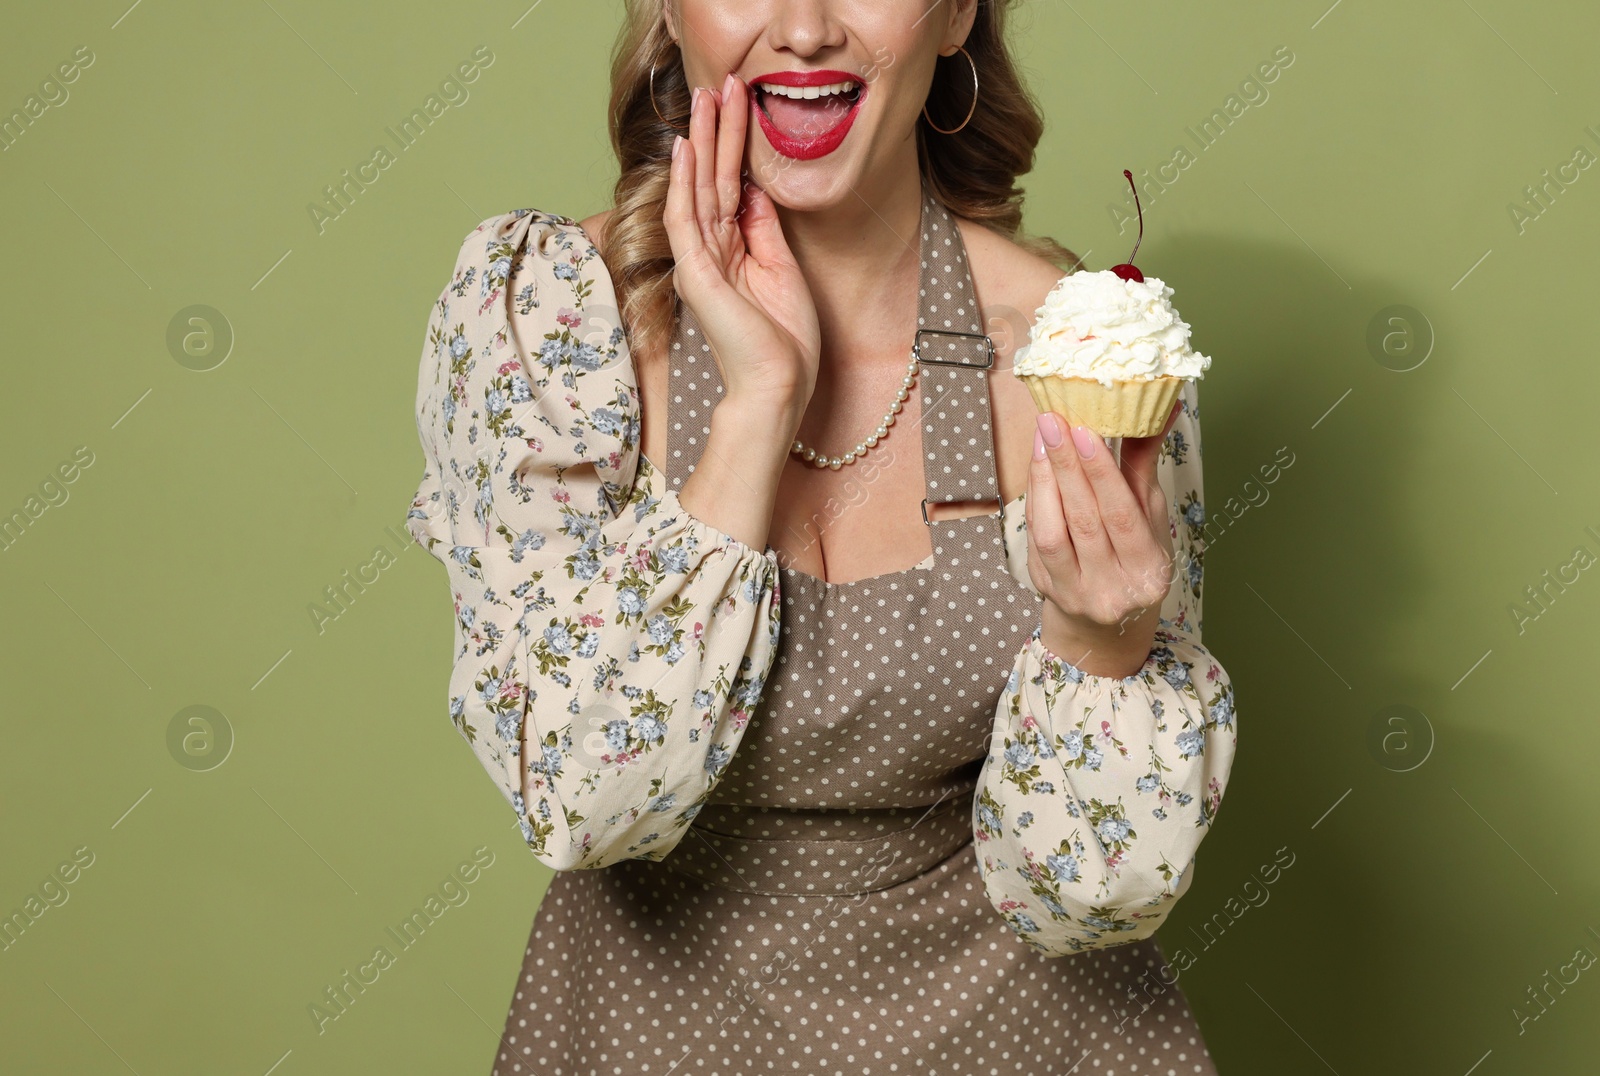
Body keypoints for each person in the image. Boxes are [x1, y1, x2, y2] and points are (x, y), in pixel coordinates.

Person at [404, 1, 1238, 1072]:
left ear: (957, 14)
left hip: (1031, 1037)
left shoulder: (1076, 353)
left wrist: (1103, 644)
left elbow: (1090, 897)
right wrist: (759, 399)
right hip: (646, 1038)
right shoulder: (550, 323)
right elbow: (584, 799)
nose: (803, 29)